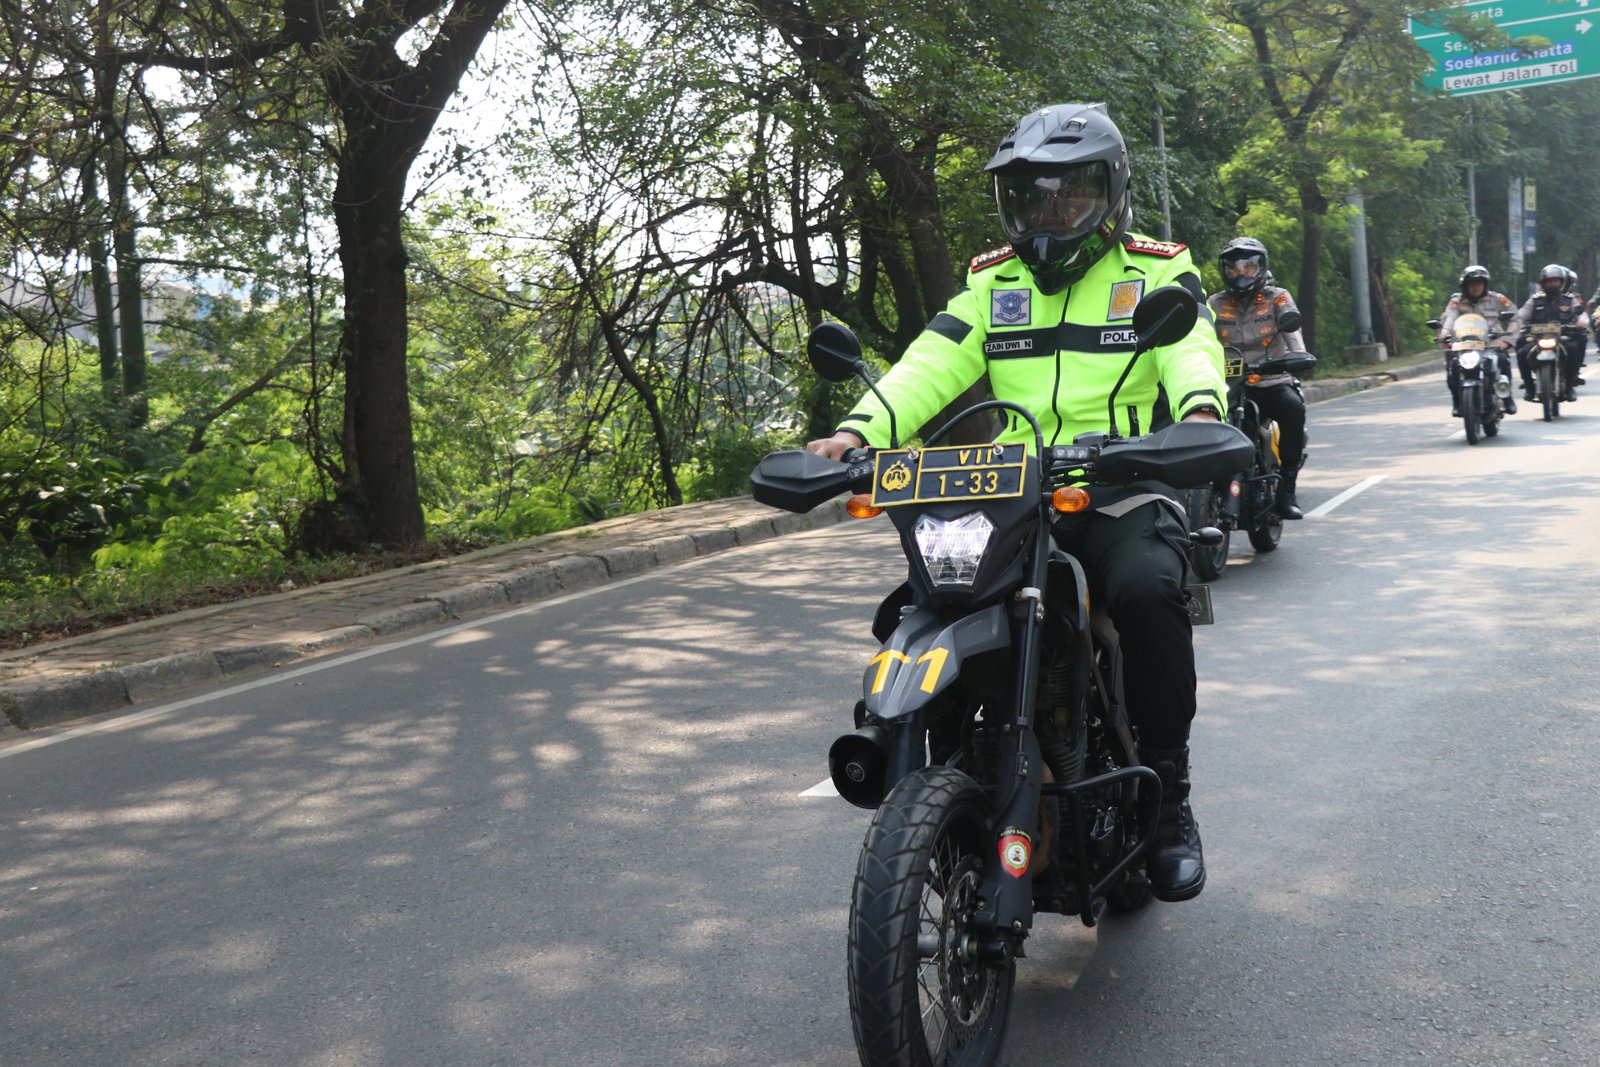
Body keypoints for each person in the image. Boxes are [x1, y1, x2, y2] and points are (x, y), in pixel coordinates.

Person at [806, 103, 1226, 903]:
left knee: (1145, 591)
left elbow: (1191, 347)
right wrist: (855, 432)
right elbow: (927, 362)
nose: (1052, 212)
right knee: (919, 600)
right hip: (1009, 493)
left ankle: (1169, 798)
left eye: (1071, 195)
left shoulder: (1155, 271)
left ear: (1111, 194)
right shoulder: (990, 282)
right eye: (1035, 196)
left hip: (1119, 488)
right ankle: (933, 764)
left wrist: (1199, 414)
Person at [1207, 237, 1311, 517]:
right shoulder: (1213, 303)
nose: (1240, 273)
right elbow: (1198, 340)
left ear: (1261, 268)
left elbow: (1293, 332)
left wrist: (1297, 354)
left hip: (1270, 382)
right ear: (1225, 270)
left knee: (1292, 408)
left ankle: (1287, 490)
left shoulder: (1277, 297)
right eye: (1234, 268)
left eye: (1248, 267)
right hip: (1228, 386)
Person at [1436, 265, 1518, 416]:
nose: (1476, 287)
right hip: (1464, 345)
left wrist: (1506, 340)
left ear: (1485, 284)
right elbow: (1450, 316)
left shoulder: (1498, 299)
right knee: (1452, 367)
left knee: (1503, 360)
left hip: (1491, 344)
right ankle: (1457, 401)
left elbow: (1515, 317)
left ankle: (1507, 397)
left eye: (1479, 283)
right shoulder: (1457, 301)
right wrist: (1444, 332)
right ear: (1465, 286)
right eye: (1472, 284)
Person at [1513, 263, 1589, 402]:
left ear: (1561, 282)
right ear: (1543, 283)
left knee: (1573, 348)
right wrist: (1518, 324)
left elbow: (1581, 314)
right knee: (1522, 352)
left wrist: (1581, 322)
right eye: (1549, 281)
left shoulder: (1569, 299)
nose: (1552, 284)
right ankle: (1529, 387)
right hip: (1537, 339)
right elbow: (1521, 315)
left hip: (1562, 338)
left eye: (1555, 281)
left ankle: (1569, 386)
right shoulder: (1534, 300)